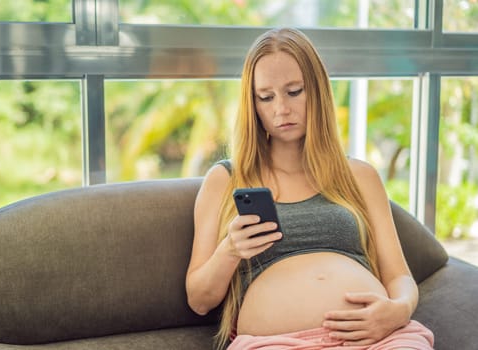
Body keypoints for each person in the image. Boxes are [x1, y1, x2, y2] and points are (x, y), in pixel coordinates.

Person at [185, 27, 434, 350]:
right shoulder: (225, 180)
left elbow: (399, 275)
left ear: (316, 90)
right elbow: (199, 300)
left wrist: (398, 310)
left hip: (378, 338)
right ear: (253, 104)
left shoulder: (359, 176)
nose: (281, 109)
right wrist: (230, 250)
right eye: (266, 97)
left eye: (294, 91)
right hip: (275, 342)